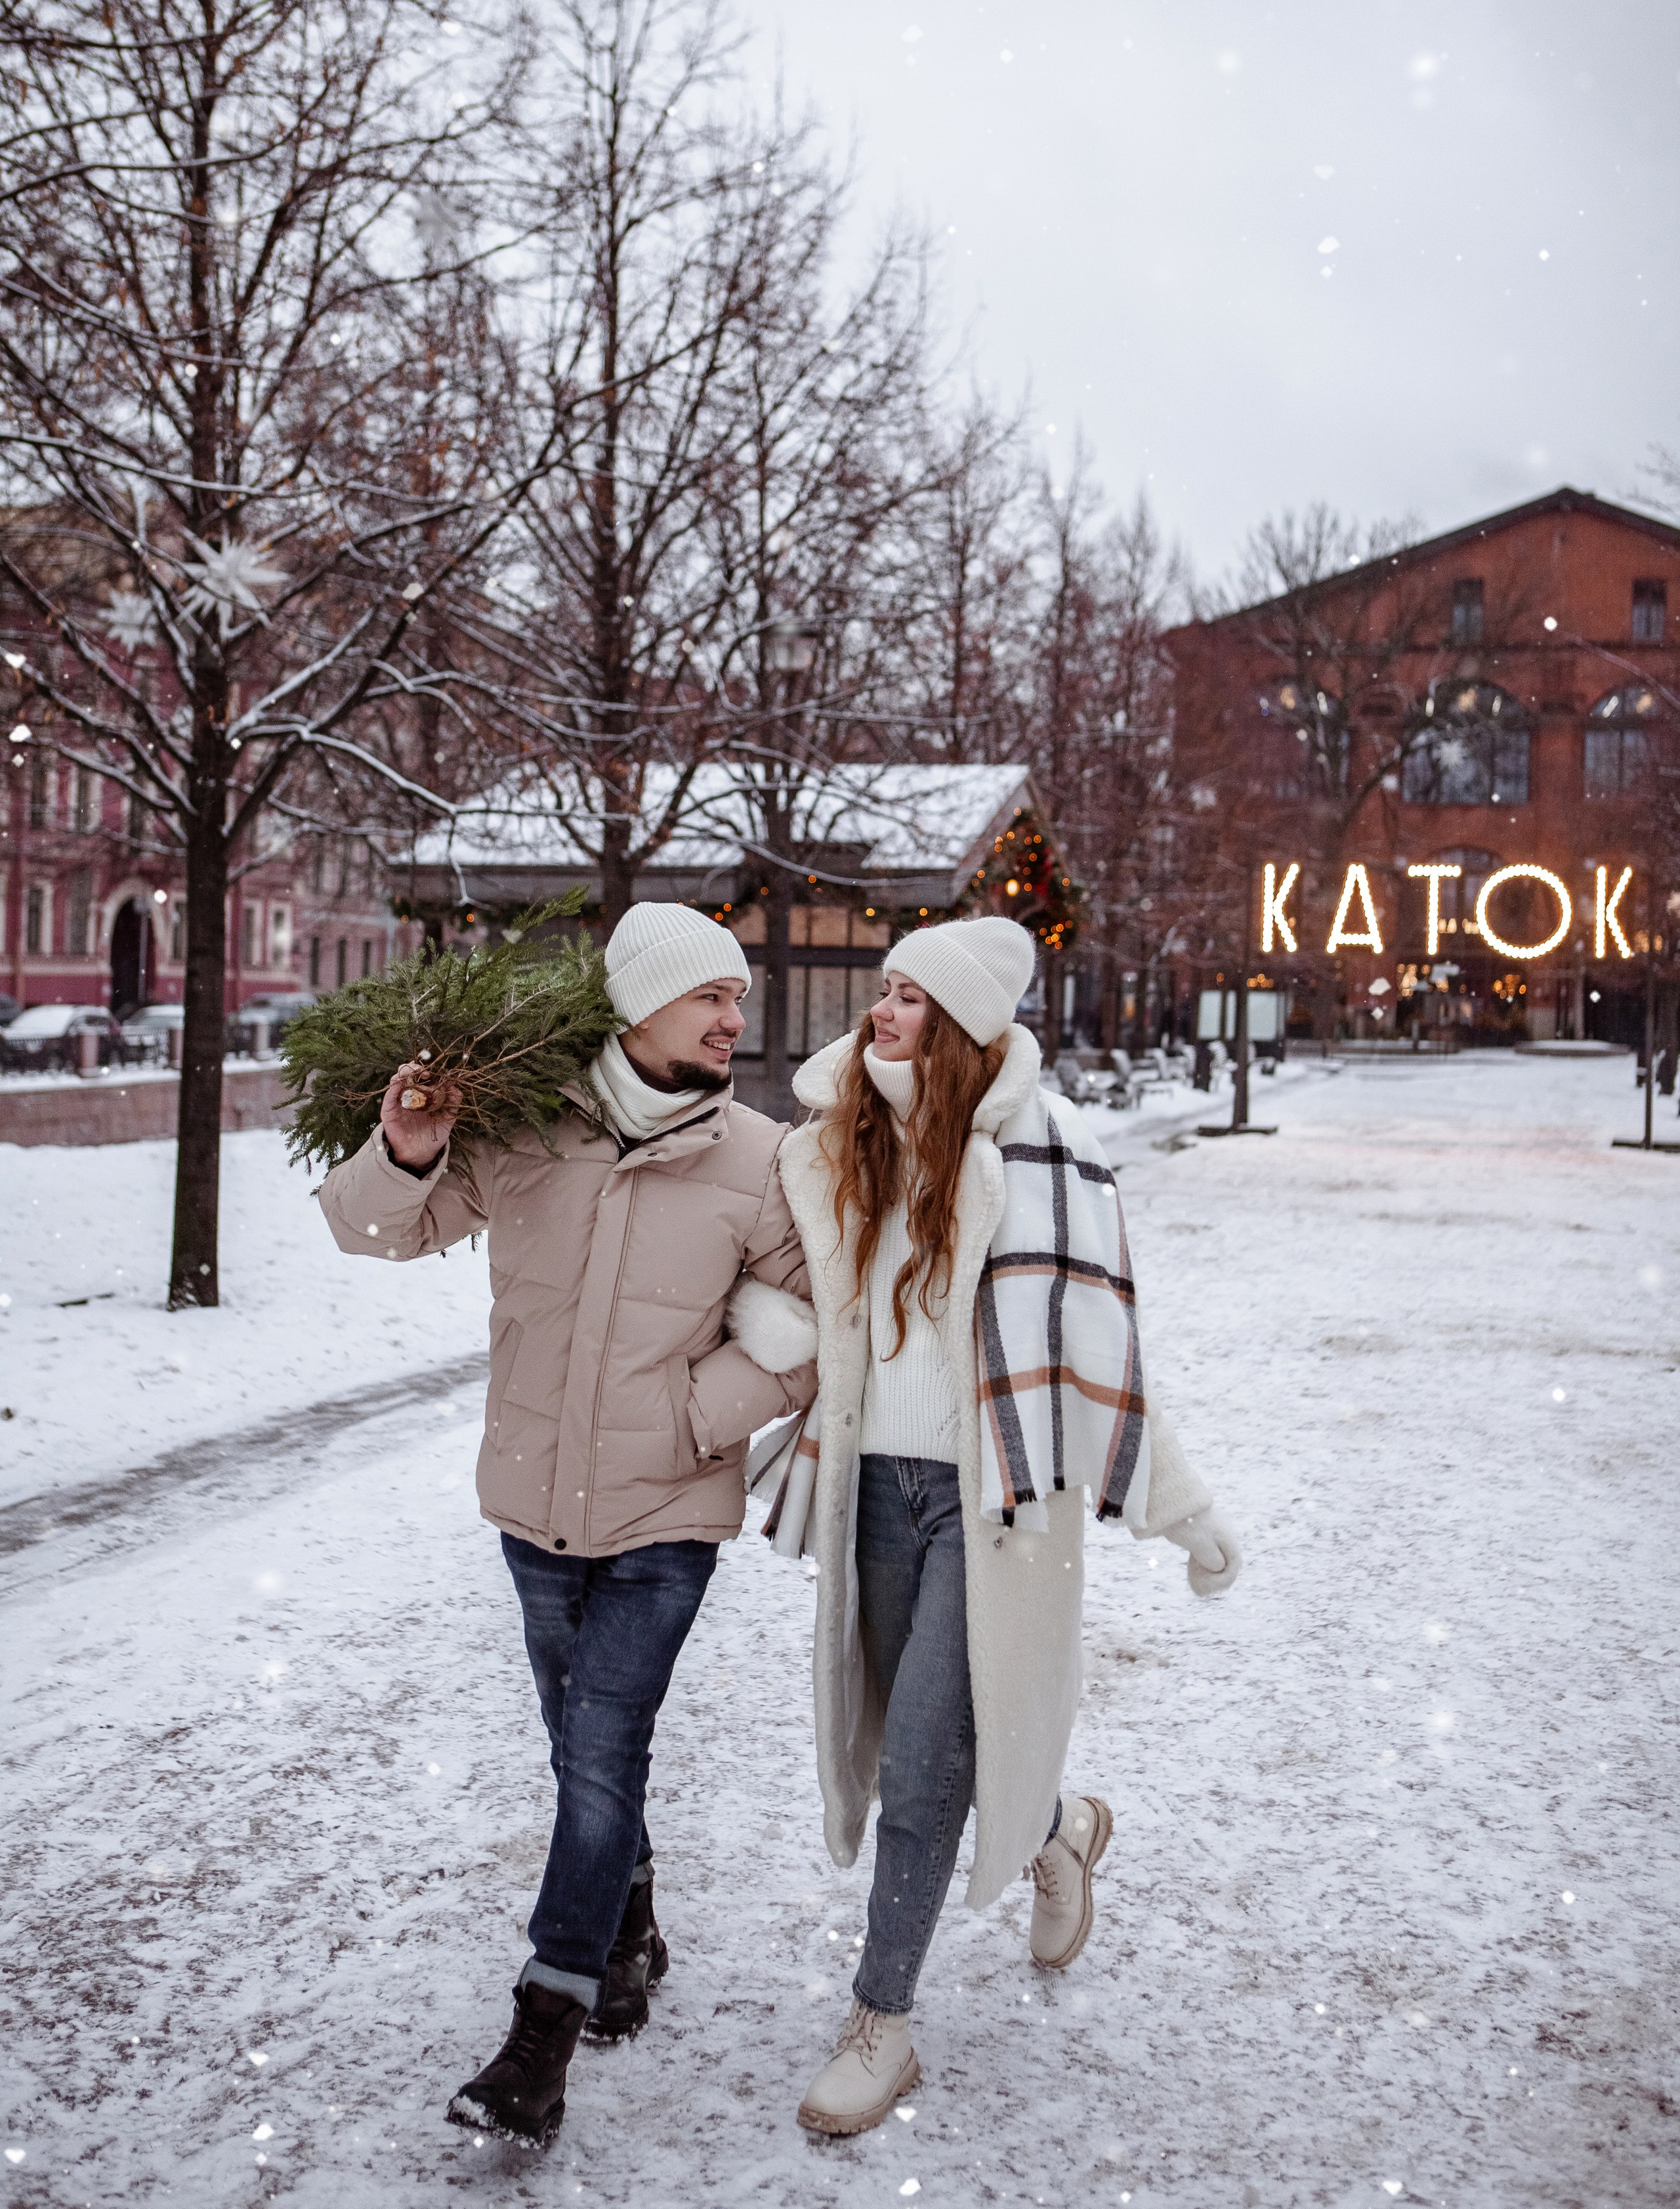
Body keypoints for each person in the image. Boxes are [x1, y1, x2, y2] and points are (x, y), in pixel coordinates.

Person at [318, 902, 818, 2147]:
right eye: (710, 995)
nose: (730, 1018)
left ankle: (541, 2038)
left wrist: (700, 1416)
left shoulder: (758, 1159)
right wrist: (409, 1147)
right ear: (639, 1000)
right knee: (578, 1758)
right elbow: (373, 1231)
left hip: (665, 1518)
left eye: (738, 1000)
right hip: (533, 1508)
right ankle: (631, 1924)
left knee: (602, 1757)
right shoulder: (525, 1128)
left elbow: (818, 1331)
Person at [774, 916, 1242, 2136]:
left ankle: (883, 2024)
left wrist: (1178, 1506)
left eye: (911, 998)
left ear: (970, 1024)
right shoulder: (841, 1139)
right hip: (876, 1486)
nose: (882, 1013)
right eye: (882, 991)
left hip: (1000, 1504)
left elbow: (1103, 1355)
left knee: (925, 1764)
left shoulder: (1053, 1151)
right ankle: (1059, 1830)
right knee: (905, 1734)